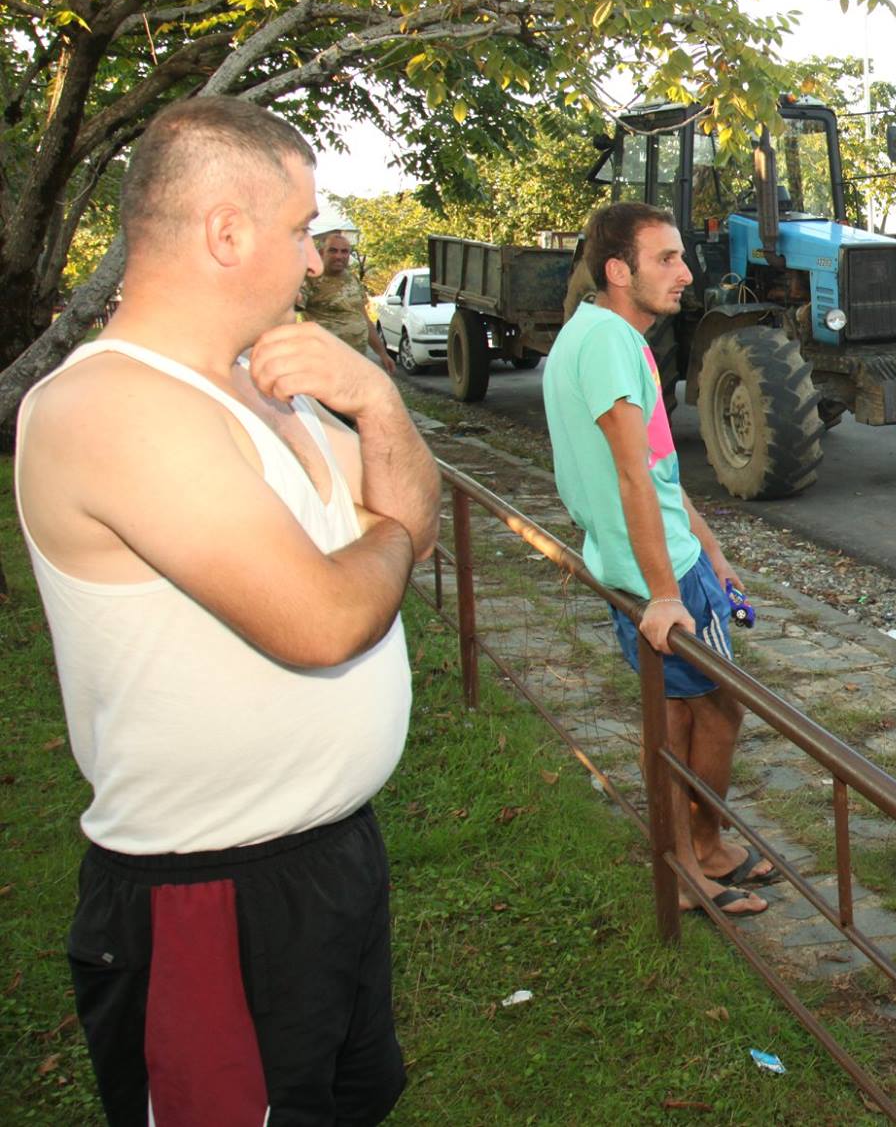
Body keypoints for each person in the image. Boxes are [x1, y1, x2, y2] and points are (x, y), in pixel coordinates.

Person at [14, 96, 441, 1126]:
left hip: (326, 861)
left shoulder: (262, 387)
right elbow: (329, 618)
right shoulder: (113, 407)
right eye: (300, 229)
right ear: (225, 231)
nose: (312, 259)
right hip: (208, 894)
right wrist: (380, 538)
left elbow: (413, 522)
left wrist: (378, 405)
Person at [542, 201, 774, 918]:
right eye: (666, 259)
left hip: (668, 559)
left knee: (708, 712)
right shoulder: (610, 341)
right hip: (657, 573)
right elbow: (630, 476)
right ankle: (684, 862)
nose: (685, 271)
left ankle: (705, 847)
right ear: (619, 271)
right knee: (696, 718)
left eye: (681, 255)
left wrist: (712, 547)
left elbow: (660, 472)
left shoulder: (602, 335)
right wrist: (668, 591)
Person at [299, 212, 397, 372]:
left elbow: (364, 318)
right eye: (333, 250)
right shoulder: (310, 278)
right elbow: (288, 316)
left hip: (356, 361)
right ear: (322, 253)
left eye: (344, 252)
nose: (339, 256)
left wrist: (382, 353)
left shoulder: (352, 278)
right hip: (324, 364)